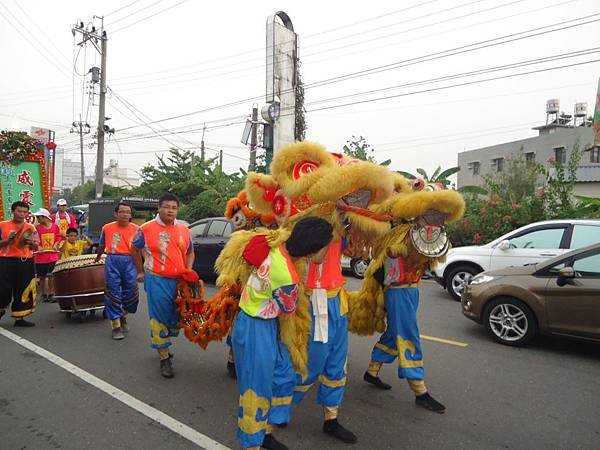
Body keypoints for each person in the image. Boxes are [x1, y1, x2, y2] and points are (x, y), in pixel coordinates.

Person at [233, 217, 333, 450]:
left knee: (283, 376)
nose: (327, 254)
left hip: (267, 325)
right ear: (311, 250)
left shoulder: (278, 246)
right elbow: (290, 309)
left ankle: (266, 431)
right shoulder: (286, 275)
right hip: (255, 328)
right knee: (254, 391)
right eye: (325, 249)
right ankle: (251, 444)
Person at [131, 193, 194, 378]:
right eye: (167, 207)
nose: (170, 211)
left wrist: (188, 271)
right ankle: (164, 358)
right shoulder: (145, 229)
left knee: (177, 319)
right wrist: (140, 271)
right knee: (159, 317)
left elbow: (190, 252)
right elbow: (134, 249)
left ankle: (164, 341)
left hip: (179, 281)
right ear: (159, 208)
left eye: (174, 208)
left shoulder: (184, 230)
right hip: (156, 279)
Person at [95, 202, 139, 340]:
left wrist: (144, 266)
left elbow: (142, 249)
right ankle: (116, 326)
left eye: (128, 212)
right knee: (112, 293)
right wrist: (97, 257)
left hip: (130, 262)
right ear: (116, 213)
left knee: (132, 295)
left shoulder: (137, 229)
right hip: (113, 261)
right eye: (122, 211)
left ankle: (121, 315)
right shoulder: (107, 228)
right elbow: (102, 245)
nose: (125, 214)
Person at [0, 201, 39, 327]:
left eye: (25, 212)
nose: (22, 214)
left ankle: (20, 317)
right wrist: (8, 241)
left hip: (25, 261)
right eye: (19, 211)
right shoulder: (2, 225)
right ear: (12, 211)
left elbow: (36, 247)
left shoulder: (31, 228)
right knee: (3, 289)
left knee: (23, 289)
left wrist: (31, 243)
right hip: (5, 261)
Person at [33, 208, 63, 302]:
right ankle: (43, 294)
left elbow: (58, 236)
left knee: (51, 276)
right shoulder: (36, 228)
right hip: (40, 257)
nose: (38, 219)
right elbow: (34, 239)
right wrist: (38, 246)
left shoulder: (55, 227)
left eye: (39, 217)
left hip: (52, 256)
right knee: (42, 276)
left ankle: (51, 293)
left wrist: (56, 244)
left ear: (45, 217)